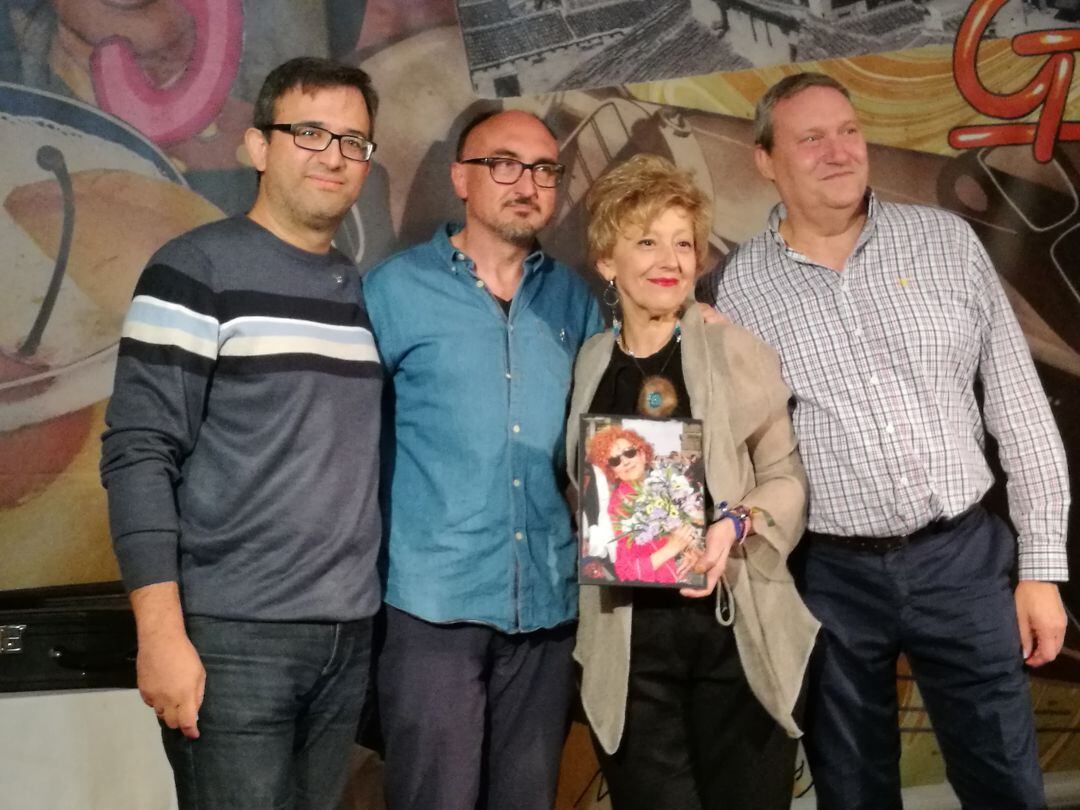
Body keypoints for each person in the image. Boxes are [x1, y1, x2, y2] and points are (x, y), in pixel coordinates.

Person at [710, 72, 1071, 809]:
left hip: (963, 562)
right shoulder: (741, 288)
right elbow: (744, 447)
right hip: (831, 579)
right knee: (854, 794)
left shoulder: (946, 242)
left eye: (848, 130)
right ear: (765, 158)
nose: (839, 151)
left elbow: (1022, 412)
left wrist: (1041, 568)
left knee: (1006, 787)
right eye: (810, 138)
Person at [99, 57, 382, 810]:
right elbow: (138, 453)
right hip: (233, 640)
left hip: (346, 636)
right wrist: (160, 636)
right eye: (311, 131)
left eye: (354, 141)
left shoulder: (356, 289)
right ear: (258, 147)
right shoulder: (195, 269)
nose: (334, 154)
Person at [362, 109, 603, 810]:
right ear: (461, 177)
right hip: (430, 612)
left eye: (544, 169)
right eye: (504, 163)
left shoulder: (573, 300)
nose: (526, 183)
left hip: (548, 611)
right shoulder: (393, 292)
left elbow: (609, 441)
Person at [566, 153, 819, 810]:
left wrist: (734, 523)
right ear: (606, 260)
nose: (669, 259)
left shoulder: (732, 348)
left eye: (683, 242)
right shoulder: (591, 361)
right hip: (629, 649)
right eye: (646, 241)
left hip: (730, 636)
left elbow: (784, 476)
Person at [584, 425, 701, 584]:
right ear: (612, 471)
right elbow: (626, 571)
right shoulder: (619, 507)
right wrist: (671, 549)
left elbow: (671, 531)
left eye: (630, 452)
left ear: (642, 454)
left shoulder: (657, 485)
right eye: (615, 460)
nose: (625, 461)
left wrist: (688, 549)